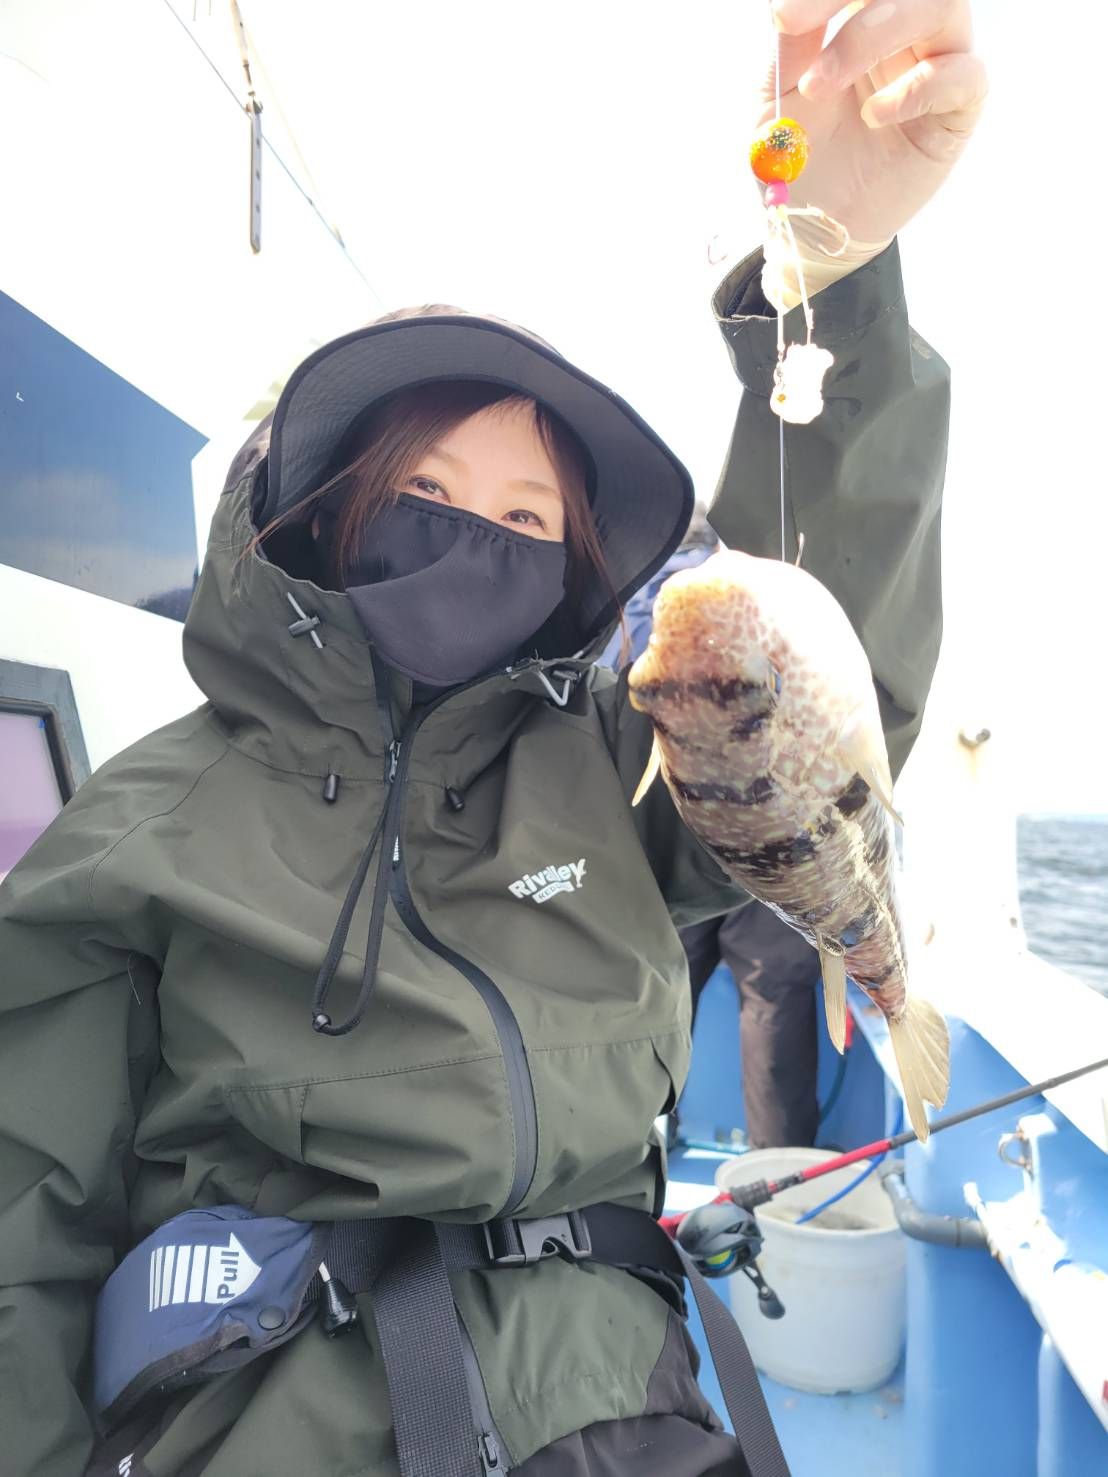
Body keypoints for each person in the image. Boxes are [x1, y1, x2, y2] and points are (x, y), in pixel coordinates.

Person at [0, 6, 985, 1475]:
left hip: (619, 1404)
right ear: (325, 506)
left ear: (569, 573)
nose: (479, 537)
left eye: (528, 517)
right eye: (427, 490)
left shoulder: (609, 768)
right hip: (283, 1415)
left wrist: (827, 277)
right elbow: (24, 1221)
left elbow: (798, 673)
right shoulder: (143, 826)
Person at [605, 515, 825, 1150]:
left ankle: (638, 1138)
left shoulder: (631, 600)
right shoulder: (752, 591)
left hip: (664, 826)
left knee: (663, 987)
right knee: (772, 996)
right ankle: (779, 1168)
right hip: (764, 825)